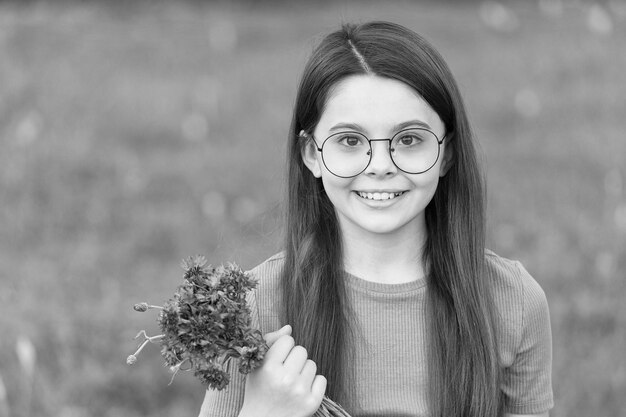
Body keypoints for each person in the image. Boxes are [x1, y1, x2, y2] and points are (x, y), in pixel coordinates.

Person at [198, 21, 553, 417]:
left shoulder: (513, 303)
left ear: (447, 153)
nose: (380, 166)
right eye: (350, 141)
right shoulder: (257, 305)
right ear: (311, 154)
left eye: (409, 140)